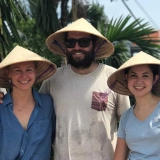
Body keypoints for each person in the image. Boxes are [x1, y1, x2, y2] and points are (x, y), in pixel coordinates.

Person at [39, 18, 130, 160]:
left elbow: (128, 129)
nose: (77, 47)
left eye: (84, 42)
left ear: (94, 46)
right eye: (70, 43)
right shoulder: (52, 80)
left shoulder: (113, 78)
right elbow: (31, 110)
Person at [0, 45, 57, 160]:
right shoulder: (1, 107)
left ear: (35, 72)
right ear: (8, 73)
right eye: (17, 70)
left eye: (29, 70)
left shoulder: (48, 103)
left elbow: (54, 136)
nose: (24, 76)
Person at [107, 51, 160, 160]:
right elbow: (119, 157)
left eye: (145, 76)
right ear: (127, 78)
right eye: (133, 75)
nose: (139, 81)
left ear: (155, 79)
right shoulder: (126, 116)